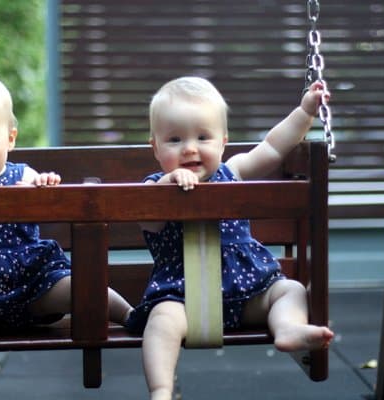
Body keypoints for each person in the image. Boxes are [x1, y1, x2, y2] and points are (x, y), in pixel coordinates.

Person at [125, 76, 335, 400]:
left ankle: (288, 328)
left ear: (223, 142)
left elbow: (273, 146)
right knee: (160, 322)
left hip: (250, 293)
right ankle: (162, 389)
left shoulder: (233, 172)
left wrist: (305, 111)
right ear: (155, 147)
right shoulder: (152, 189)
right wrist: (169, 185)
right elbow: (146, 217)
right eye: (175, 139)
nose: (190, 148)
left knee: (289, 290)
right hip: (183, 300)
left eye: (203, 137)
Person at [0, 72, 132, 345]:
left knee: (82, 287)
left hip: (31, 290)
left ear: (10, 139)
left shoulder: (22, 176)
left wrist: (43, 185)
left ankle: (129, 314)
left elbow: (51, 196)